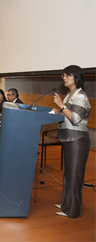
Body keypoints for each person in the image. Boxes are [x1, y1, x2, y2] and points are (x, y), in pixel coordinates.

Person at [52, 65, 91, 218]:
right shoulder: (70, 95)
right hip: (69, 138)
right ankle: (66, 204)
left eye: (67, 75)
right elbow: (67, 113)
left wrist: (61, 106)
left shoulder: (81, 96)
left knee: (75, 176)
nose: (64, 78)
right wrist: (58, 110)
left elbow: (75, 119)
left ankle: (73, 211)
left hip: (78, 140)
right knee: (68, 175)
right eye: (63, 75)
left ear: (77, 77)